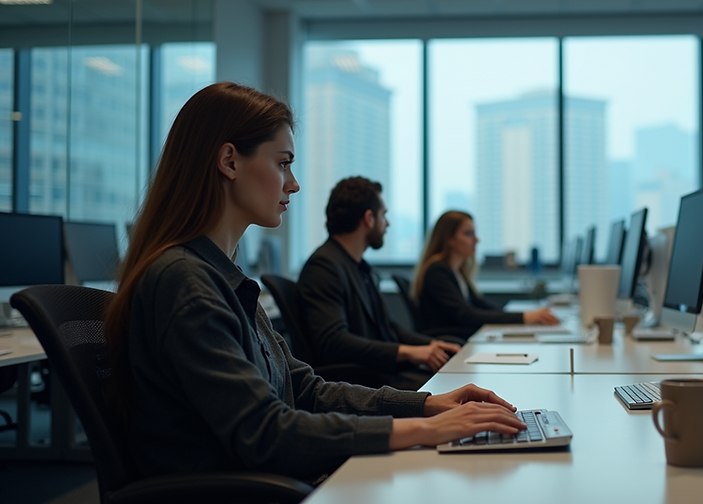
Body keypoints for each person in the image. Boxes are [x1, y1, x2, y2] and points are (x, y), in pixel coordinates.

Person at [103, 83, 525, 482]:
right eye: (283, 163)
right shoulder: (184, 280)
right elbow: (266, 434)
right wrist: (423, 430)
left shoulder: (222, 276)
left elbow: (304, 389)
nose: (294, 182)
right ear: (229, 161)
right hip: (242, 490)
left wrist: (429, 406)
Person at [298, 177, 460, 390]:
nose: (388, 223)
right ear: (369, 218)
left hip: (382, 373)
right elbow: (333, 341)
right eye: (384, 215)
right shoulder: (324, 267)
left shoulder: (359, 268)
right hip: (363, 383)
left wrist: (429, 345)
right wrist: (409, 352)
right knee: (453, 388)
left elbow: (388, 328)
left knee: (455, 380)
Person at [413, 211, 560, 340]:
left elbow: (481, 305)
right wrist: (524, 317)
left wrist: (524, 316)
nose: (476, 240)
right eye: (468, 234)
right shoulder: (437, 271)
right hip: (449, 341)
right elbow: (467, 315)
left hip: (461, 336)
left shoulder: (457, 270)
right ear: (449, 239)